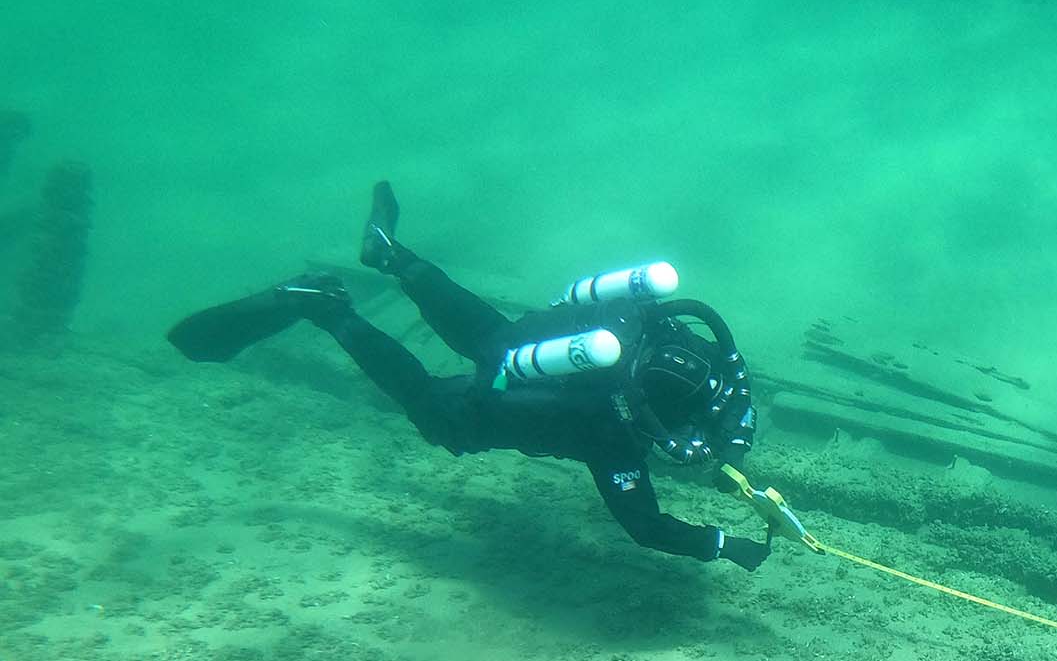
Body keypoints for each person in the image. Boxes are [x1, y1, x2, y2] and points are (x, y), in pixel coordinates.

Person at [167, 182, 771, 570]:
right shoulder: (615, 436)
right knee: (432, 407)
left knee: (485, 334)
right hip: (510, 402)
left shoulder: (679, 343)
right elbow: (646, 526)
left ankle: (391, 255)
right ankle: (326, 310)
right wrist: (725, 545)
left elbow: (725, 390)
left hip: (540, 340)